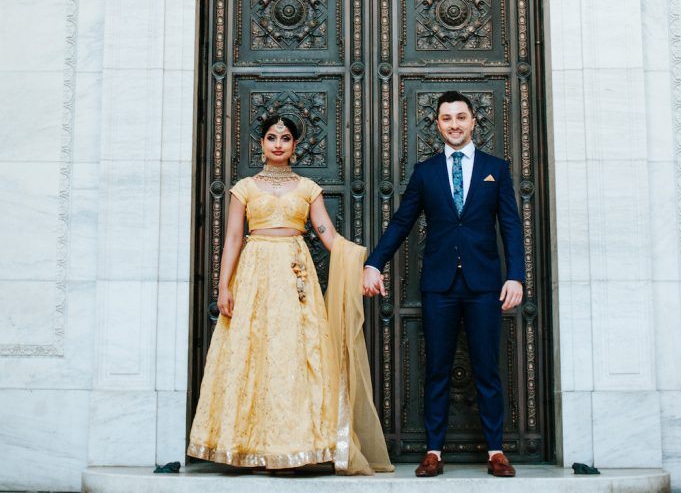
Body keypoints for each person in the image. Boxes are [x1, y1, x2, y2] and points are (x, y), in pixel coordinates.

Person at [188, 114, 392, 475]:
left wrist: (362, 266)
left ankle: (295, 448)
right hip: (254, 275)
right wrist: (223, 286)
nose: (278, 143)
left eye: (285, 138)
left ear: (295, 145)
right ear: (261, 143)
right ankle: (251, 448)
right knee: (253, 352)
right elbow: (234, 238)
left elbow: (327, 234)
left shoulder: (308, 188)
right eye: (271, 137)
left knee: (295, 355)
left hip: (295, 276)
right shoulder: (245, 188)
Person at [363, 91, 525, 479]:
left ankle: (496, 451)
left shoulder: (495, 169)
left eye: (460, 117)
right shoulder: (425, 172)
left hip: (485, 284)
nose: (454, 124)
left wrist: (516, 275)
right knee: (436, 368)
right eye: (446, 118)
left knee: (487, 368)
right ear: (437, 124)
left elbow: (511, 227)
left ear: (473, 122)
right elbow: (402, 222)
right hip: (439, 285)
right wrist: (373, 263)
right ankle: (433, 451)